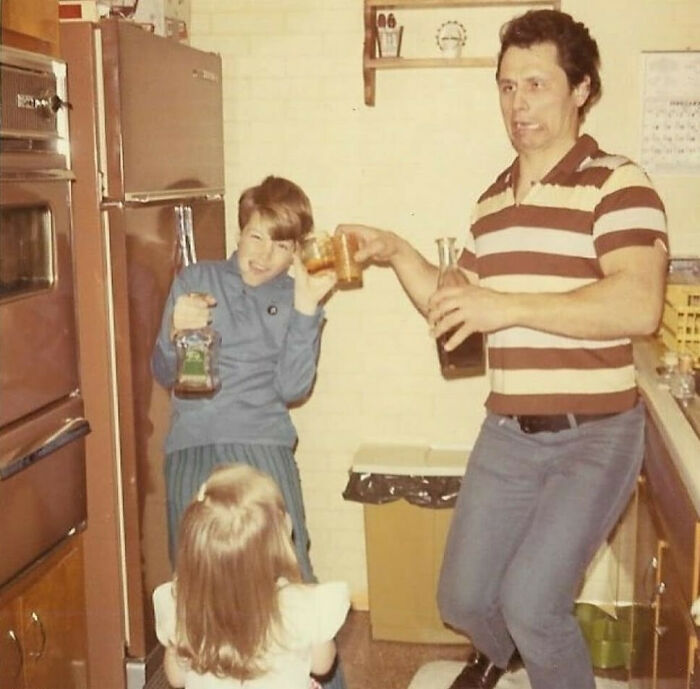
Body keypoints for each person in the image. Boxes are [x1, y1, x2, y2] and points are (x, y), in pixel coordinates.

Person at [338, 9, 668, 689]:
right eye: (507, 86)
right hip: (508, 433)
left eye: (536, 84)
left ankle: (541, 654)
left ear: (580, 89)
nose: (518, 104)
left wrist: (506, 305)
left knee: (531, 602)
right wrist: (395, 250)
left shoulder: (618, 183)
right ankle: (519, 658)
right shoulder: (492, 203)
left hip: (596, 436)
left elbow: (638, 304)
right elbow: (455, 304)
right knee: (461, 599)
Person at [152, 175, 347, 689]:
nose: (264, 255)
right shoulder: (197, 277)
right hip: (194, 443)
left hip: (262, 441)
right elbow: (164, 371)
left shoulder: (294, 291)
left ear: (296, 249)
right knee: (197, 571)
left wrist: (307, 308)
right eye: (256, 236)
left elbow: (292, 387)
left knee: (289, 564)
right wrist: (176, 330)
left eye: (281, 244)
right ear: (240, 232)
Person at [152, 463, 350, 689]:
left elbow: (176, 679)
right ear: (281, 536)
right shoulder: (303, 605)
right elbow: (322, 665)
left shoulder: (184, 605)